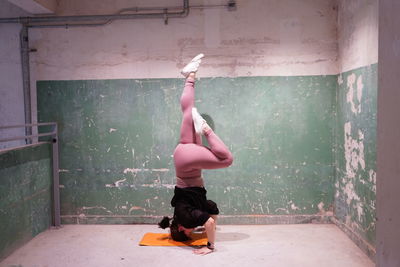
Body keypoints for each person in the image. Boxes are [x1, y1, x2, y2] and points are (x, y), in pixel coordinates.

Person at [158, 54, 233, 255]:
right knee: (188, 111)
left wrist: (209, 244)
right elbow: (212, 208)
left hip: (188, 163)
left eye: (190, 233)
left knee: (227, 160)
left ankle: (206, 129)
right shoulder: (184, 212)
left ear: (181, 228)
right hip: (183, 157)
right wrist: (211, 228)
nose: (193, 231)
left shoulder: (184, 217)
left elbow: (207, 220)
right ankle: (189, 75)